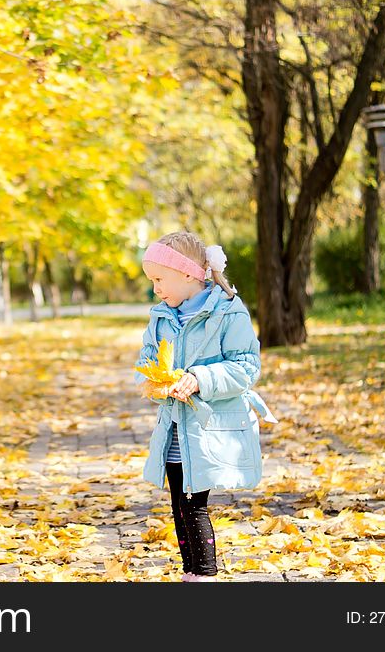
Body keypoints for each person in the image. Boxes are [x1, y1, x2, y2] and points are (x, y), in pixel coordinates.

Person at [134, 231, 277, 582]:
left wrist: (200, 378)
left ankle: (205, 575)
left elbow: (246, 367)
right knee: (179, 506)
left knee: (194, 505)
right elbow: (146, 360)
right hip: (173, 428)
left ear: (187, 274)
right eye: (151, 281)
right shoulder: (162, 317)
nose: (155, 289)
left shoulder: (227, 312)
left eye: (159, 279)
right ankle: (191, 572)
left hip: (208, 428)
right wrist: (157, 382)